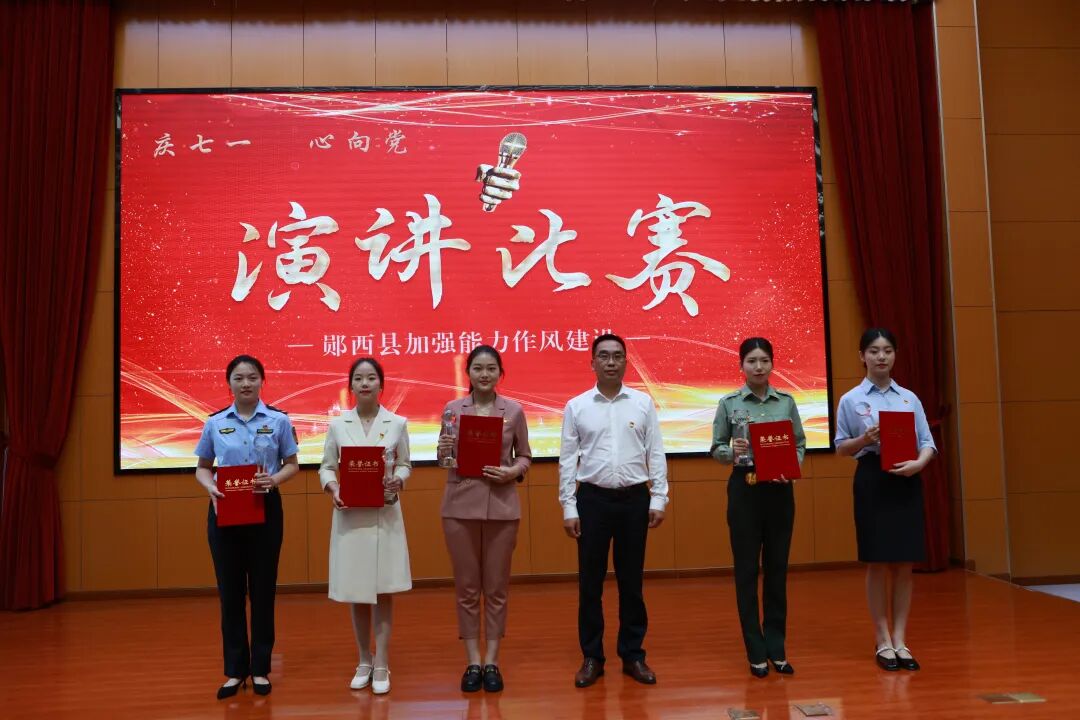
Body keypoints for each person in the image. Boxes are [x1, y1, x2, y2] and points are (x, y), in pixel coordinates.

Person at [559, 333, 669, 688]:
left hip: (634, 500)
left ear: (625, 362)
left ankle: (633, 654)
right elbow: (567, 460)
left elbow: (655, 452)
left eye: (617, 356)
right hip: (592, 501)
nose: (611, 362)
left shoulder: (642, 403)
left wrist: (659, 497)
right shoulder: (577, 406)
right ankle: (592, 657)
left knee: (631, 583)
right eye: (604, 356)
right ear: (592, 362)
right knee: (590, 584)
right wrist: (568, 506)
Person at [194, 354, 300, 699]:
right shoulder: (214, 423)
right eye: (239, 378)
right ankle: (235, 670)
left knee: (263, 591)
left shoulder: (279, 420)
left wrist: (274, 480)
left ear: (261, 381)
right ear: (229, 383)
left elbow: (292, 464)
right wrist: (209, 487)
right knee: (230, 593)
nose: (246, 383)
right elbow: (203, 467)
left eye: (252, 377)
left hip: (265, 508)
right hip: (225, 509)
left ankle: (260, 669)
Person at [834, 328, 936, 672]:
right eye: (874, 351)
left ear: (895, 355)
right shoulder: (850, 400)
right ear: (862, 356)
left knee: (904, 563)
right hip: (872, 480)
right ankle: (882, 639)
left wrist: (919, 464)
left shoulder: (909, 398)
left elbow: (927, 442)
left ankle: (901, 639)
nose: (881, 357)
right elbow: (841, 448)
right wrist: (865, 438)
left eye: (888, 350)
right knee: (877, 562)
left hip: (906, 480)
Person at [438, 344, 532, 693]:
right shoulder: (452, 410)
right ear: (468, 373)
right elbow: (444, 459)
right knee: (466, 589)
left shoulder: (514, 411)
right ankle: (472, 661)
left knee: (496, 588)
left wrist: (512, 472)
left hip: (502, 507)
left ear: (500, 373)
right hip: (459, 507)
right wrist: (444, 452)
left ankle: (492, 661)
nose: (484, 374)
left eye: (491, 368)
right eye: (478, 368)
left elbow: (525, 457)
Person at [710, 338, 806, 678]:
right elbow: (716, 448)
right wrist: (730, 452)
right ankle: (755, 649)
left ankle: (776, 647)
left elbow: (799, 443)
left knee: (777, 570)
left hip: (779, 491)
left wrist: (791, 467)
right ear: (742, 365)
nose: (759, 366)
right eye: (752, 360)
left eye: (764, 360)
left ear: (772, 363)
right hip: (745, 490)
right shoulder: (729, 403)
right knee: (747, 571)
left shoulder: (786, 402)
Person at [319, 357, 412, 694]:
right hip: (351, 515)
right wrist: (333, 488)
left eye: (371, 378)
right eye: (358, 378)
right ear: (351, 386)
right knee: (356, 591)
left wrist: (398, 479)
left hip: (384, 515)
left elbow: (405, 464)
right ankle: (363, 659)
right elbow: (327, 467)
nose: (365, 383)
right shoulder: (337, 425)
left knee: (383, 589)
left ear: (380, 385)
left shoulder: (397, 423)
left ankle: (382, 661)